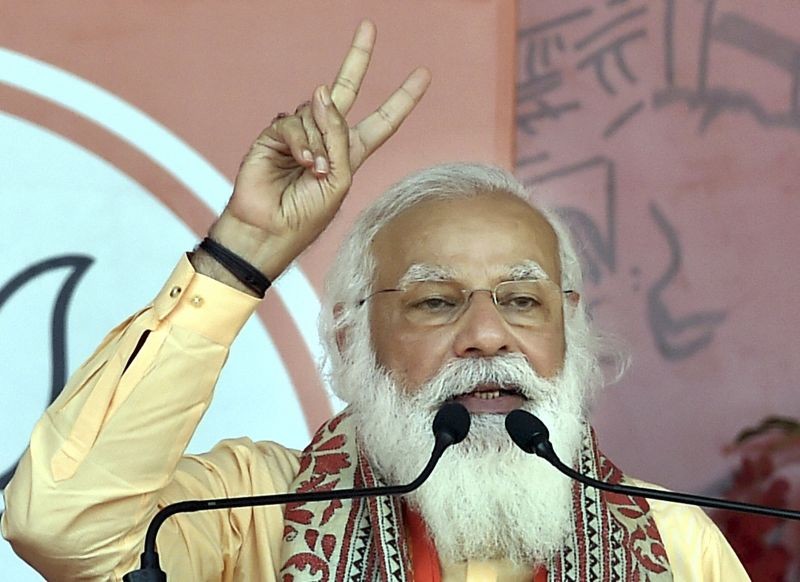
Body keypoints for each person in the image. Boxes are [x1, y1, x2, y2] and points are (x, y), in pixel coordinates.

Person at [2, 20, 748, 582]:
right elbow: (63, 524)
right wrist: (242, 254)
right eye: (434, 302)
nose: (488, 335)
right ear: (354, 337)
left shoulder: (669, 539)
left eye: (523, 301)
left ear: (570, 328)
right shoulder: (254, 515)